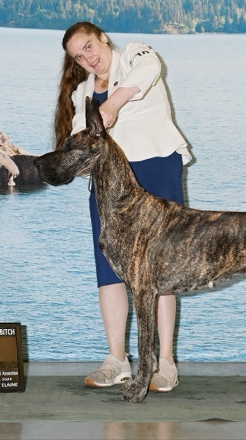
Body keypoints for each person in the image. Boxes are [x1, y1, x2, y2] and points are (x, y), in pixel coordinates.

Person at [54, 22, 192, 392]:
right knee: (109, 270)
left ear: (102, 38)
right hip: (109, 187)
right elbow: (81, 143)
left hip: (156, 167)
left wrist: (112, 104)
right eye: (78, 56)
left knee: (160, 269)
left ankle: (165, 363)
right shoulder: (83, 92)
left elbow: (150, 69)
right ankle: (117, 360)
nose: (87, 58)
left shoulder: (134, 54)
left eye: (88, 46)